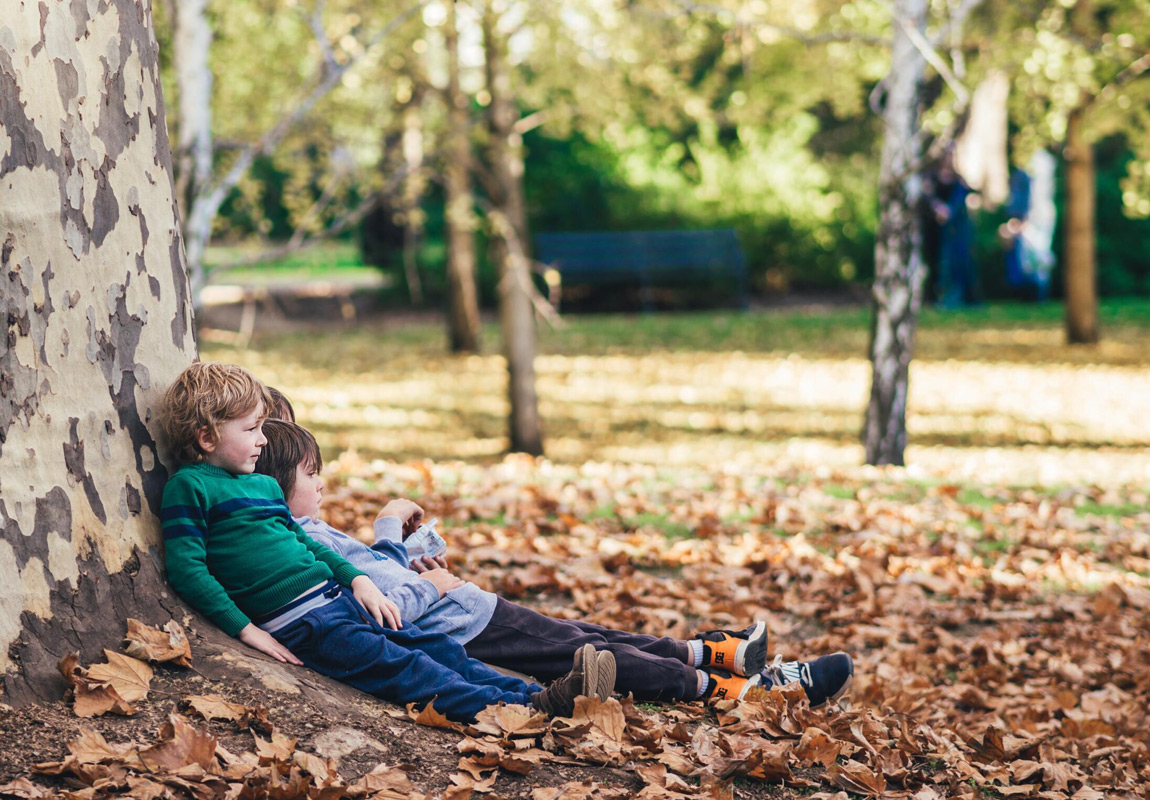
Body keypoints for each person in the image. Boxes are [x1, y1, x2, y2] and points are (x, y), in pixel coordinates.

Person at [255, 416, 856, 708]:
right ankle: (736, 691)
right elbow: (387, 601)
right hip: (463, 625)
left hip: (469, 609)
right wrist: (411, 558)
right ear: (278, 483)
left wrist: (414, 556)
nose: (324, 485)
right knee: (592, 655)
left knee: (591, 634)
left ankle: (714, 651)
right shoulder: (300, 539)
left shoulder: (305, 528)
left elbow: (383, 579)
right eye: (313, 475)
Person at [159, 362, 615, 722]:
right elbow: (188, 569)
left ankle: (546, 697)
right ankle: (519, 713)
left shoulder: (261, 487)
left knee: (437, 650)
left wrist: (358, 581)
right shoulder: (191, 488)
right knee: (409, 671)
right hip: (305, 624)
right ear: (206, 436)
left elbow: (308, 545)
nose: (263, 440)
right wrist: (246, 630)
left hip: (340, 600)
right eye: (252, 430)